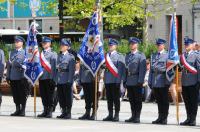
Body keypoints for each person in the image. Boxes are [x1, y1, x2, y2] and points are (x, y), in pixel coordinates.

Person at [124, 37, 146, 123]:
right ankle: (133, 115)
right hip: (129, 80)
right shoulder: (127, 55)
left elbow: (142, 69)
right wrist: (125, 80)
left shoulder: (141, 55)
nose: (132, 45)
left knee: (137, 100)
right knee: (131, 99)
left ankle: (137, 116)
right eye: (131, 44)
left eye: (133, 44)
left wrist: (140, 80)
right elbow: (126, 69)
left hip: (137, 80)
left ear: (137, 45)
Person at [103, 38, 125, 122]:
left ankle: (116, 115)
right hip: (108, 80)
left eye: (111, 45)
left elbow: (121, 70)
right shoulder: (106, 55)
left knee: (116, 98)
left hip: (115, 80)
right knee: (109, 98)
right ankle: (110, 114)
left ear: (116, 46)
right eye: (109, 45)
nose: (110, 46)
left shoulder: (120, 56)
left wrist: (118, 81)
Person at [148, 38, 170, 125]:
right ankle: (160, 117)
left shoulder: (167, 55)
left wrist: (168, 82)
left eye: (160, 45)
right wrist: (150, 81)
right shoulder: (153, 55)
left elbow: (168, 69)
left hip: (163, 80)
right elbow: (151, 70)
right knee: (159, 100)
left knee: (164, 101)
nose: (158, 46)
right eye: (157, 45)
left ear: (163, 45)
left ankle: (164, 118)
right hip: (155, 81)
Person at [6, 36, 29, 116]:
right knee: (15, 94)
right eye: (15, 42)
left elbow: (26, 65)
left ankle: (23, 110)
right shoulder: (12, 52)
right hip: (13, 77)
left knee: (22, 94)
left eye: (17, 42)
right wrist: (8, 76)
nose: (16, 43)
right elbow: (9, 65)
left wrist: (24, 76)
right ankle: (17, 109)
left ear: (22, 43)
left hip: (21, 77)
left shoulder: (25, 52)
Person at [180, 37, 200, 126]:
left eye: (188, 44)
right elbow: (180, 67)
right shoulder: (183, 56)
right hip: (184, 81)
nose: (186, 46)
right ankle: (188, 118)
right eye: (185, 44)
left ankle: (193, 119)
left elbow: (199, 68)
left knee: (193, 101)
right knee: (187, 101)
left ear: (192, 45)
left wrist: (198, 81)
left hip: (193, 81)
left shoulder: (197, 55)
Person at [37, 36, 57, 118]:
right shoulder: (39, 54)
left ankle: (50, 111)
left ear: (49, 43)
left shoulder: (53, 54)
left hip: (49, 77)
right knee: (43, 95)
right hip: (41, 77)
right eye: (43, 43)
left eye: (45, 43)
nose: (44, 44)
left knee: (50, 95)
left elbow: (54, 67)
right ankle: (45, 110)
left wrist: (53, 78)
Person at [56, 38, 75, 119]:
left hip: (66, 79)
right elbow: (57, 68)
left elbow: (71, 70)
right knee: (61, 97)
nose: (61, 46)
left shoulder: (70, 57)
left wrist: (70, 80)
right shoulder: (59, 56)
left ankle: (68, 112)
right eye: (61, 45)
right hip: (60, 79)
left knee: (68, 97)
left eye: (63, 45)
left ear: (67, 47)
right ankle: (63, 112)